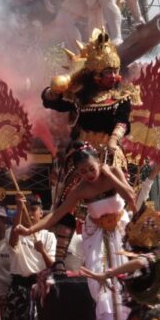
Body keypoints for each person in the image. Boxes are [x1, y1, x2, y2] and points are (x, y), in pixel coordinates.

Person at [40, 30, 139, 269]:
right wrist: (53, 91)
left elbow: (123, 122)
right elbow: (54, 102)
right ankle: (60, 260)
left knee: (120, 200)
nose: (113, 75)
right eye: (108, 72)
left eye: (115, 71)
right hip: (81, 153)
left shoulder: (123, 94)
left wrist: (114, 141)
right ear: (96, 74)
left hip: (109, 152)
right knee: (67, 200)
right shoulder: (82, 94)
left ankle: (127, 252)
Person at [19, 144, 137, 320]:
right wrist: (29, 229)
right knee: (102, 283)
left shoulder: (113, 171)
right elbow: (56, 215)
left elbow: (130, 197)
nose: (89, 174)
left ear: (99, 162)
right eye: (83, 172)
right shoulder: (81, 190)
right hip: (97, 237)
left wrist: (111, 175)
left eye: (92, 168)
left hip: (121, 233)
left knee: (127, 280)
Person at [5, 195, 56, 320]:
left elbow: (52, 265)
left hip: (39, 289)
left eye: (33, 210)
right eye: (27, 210)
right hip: (18, 288)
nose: (30, 213)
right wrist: (20, 209)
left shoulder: (49, 236)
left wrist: (42, 251)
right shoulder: (14, 231)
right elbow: (13, 242)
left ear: (41, 213)